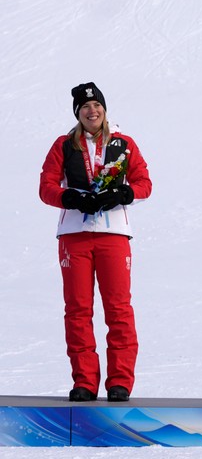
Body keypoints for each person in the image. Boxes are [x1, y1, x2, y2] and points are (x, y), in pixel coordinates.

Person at [38, 82, 152, 403]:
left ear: (104, 109)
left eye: (97, 106)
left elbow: (144, 182)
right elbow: (46, 187)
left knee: (118, 309)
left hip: (113, 236)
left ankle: (119, 382)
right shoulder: (64, 145)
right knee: (77, 309)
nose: (92, 111)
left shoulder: (123, 144)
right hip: (74, 237)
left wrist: (124, 192)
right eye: (85, 107)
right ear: (78, 113)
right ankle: (85, 381)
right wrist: (69, 197)